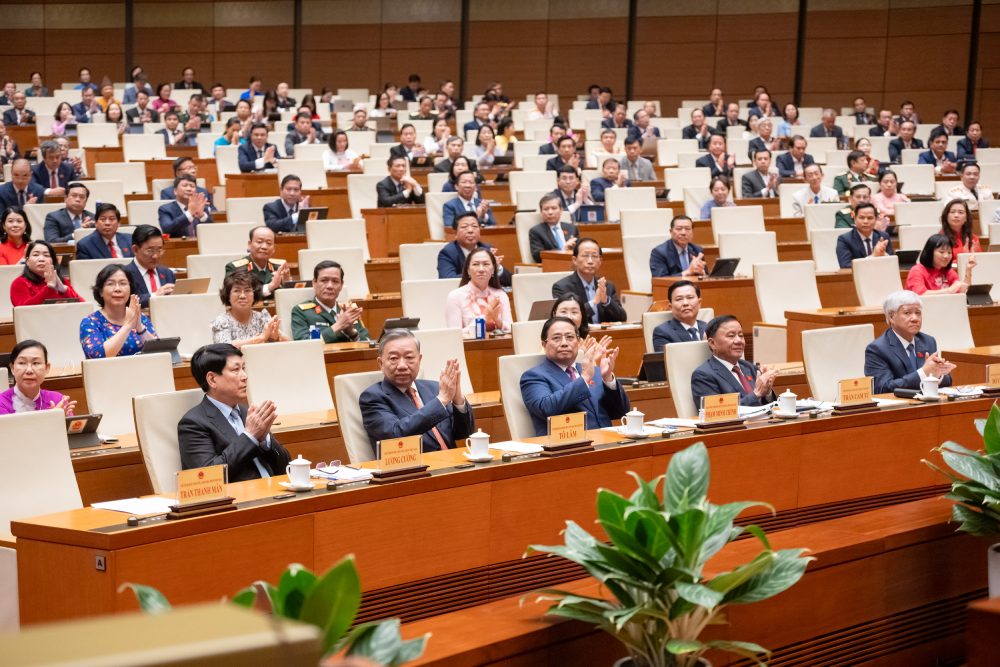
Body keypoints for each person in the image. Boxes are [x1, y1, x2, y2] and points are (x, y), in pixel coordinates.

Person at [178, 343, 291, 482]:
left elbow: (285, 467)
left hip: (276, 490)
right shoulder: (193, 423)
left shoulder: (248, 413)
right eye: (236, 370)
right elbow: (207, 477)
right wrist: (250, 436)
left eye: (243, 368)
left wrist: (265, 441)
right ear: (212, 379)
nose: (245, 376)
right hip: (242, 500)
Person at [359, 329, 474, 453]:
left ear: (419, 360)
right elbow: (396, 436)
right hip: (415, 469)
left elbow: (464, 433)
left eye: (409, 357)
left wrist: (458, 401)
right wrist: (441, 400)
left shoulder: (435, 388)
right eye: (393, 358)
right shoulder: (372, 397)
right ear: (381, 363)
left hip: (454, 464)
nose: (402, 365)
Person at [519, 317, 629, 437]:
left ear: (578, 342)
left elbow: (621, 412)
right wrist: (584, 379)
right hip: (567, 448)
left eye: (570, 337)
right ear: (544, 345)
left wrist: (608, 379)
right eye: (556, 338)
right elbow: (546, 409)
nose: (564, 343)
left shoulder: (594, 371)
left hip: (607, 443)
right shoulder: (534, 376)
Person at [864, 290, 954, 394]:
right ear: (891, 317)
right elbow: (882, 389)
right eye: (907, 313)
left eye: (918, 313)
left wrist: (938, 374)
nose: (915, 318)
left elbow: (947, 380)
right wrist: (924, 373)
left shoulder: (928, 341)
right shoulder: (877, 349)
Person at [690, 315, 776, 411]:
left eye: (741, 335)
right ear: (712, 343)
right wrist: (756, 394)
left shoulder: (750, 367)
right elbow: (715, 412)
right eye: (731, 336)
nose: (739, 341)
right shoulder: (703, 375)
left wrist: (767, 392)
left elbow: (770, 407)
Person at [80, 264, 158, 359]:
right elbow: (98, 356)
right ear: (100, 291)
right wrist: (128, 326)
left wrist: (140, 328)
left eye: (123, 283)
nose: (118, 289)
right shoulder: (90, 322)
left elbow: (159, 353)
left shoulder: (141, 318)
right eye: (110, 284)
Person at [290, 260, 368, 343]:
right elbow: (304, 344)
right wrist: (339, 325)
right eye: (324, 280)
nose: (330, 286)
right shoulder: (302, 312)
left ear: (341, 285)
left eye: (335, 281)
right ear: (314, 283)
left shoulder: (348, 310)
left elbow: (369, 344)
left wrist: (352, 333)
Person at [552, 238, 627, 324]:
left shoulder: (607, 286)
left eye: (594, 256)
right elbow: (566, 320)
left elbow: (622, 317)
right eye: (585, 256)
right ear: (575, 260)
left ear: (600, 261)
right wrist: (594, 302)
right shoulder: (562, 287)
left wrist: (606, 301)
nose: (590, 261)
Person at [444, 248, 512, 336]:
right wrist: (485, 318)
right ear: (468, 270)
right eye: (475, 264)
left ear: (493, 270)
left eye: (486, 264)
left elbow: (511, 329)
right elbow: (454, 335)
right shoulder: (455, 297)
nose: (481, 269)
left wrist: (497, 320)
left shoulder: (500, 295)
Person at [0, 340, 76, 415]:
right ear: (12, 368)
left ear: (47, 368)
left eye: (36, 363)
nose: (29, 370)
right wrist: (53, 419)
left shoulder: (58, 400)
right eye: (22, 363)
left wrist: (63, 421)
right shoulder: (2, 403)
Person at [212, 272, 285, 347]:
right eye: (237, 291)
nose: (242, 296)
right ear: (228, 295)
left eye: (247, 290)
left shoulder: (262, 318)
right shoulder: (221, 321)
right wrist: (260, 338)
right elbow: (223, 347)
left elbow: (289, 341)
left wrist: (275, 338)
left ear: (254, 294)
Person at [436, 212, 511, 286]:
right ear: (455, 233)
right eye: (464, 227)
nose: (470, 230)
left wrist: (497, 268)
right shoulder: (448, 253)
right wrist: (480, 272)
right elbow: (448, 280)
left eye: (474, 226)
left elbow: (509, 280)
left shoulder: (487, 249)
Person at [225, 226, 290, 299]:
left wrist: (287, 284)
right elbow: (237, 296)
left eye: (269, 243)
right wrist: (271, 286)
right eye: (259, 242)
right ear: (249, 244)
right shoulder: (236, 268)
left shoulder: (278, 268)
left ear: (274, 248)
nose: (264, 247)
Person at [10, 241, 82, 306]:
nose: (41, 259)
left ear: (53, 261)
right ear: (28, 261)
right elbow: (23, 310)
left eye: (46, 255)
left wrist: (64, 289)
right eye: (35, 255)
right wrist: (48, 288)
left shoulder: (62, 281)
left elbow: (83, 305)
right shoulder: (19, 283)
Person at [906, 234, 975, 296]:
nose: (946, 256)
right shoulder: (917, 270)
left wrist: (968, 270)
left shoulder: (949, 272)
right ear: (930, 252)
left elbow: (963, 292)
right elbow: (920, 294)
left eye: (949, 252)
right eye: (941, 252)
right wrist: (949, 291)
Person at [125, 225, 176, 307]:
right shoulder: (125, 274)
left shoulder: (167, 273)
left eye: (159, 250)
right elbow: (126, 301)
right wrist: (155, 296)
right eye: (150, 251)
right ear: (135, 249)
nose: (155, 256)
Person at [652, 281, 708, 351]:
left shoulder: (709, 328)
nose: (685, 303)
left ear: (699, 303)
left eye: (690, 297)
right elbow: (668, 361)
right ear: (670, 306)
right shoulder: (662, 332)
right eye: (679, 299)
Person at [836, 203, 894, 268]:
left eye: (870, 218)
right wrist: (873, 257)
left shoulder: (883, 236)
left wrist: (885, 255)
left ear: (875, 219)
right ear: (854, 219)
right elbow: (845, 265)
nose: (865, 221)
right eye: (861, 218)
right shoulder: (844, 239)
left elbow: (892, 262)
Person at [529, 193, 579, 262]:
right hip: (551, 266)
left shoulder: (571, 228)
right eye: (546, 209)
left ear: (561, 210)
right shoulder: (536, 231)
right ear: (541, 212)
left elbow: (580, 250)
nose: (550, 212)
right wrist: (562, 249)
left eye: (554, 208)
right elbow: (537, 256)